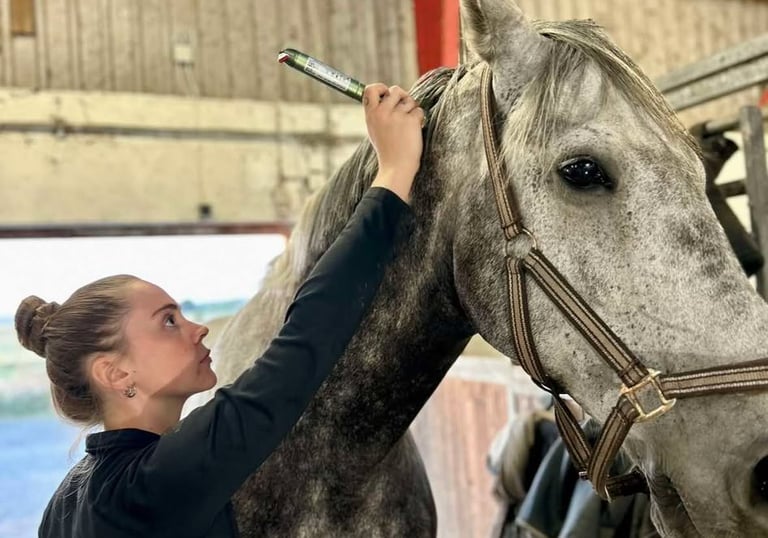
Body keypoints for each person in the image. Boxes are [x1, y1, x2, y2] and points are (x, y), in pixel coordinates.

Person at [17, 83, 425, 538]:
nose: (198, 330)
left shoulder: (66, 503)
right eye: (168, 321)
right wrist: (395, 168)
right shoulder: (151, 484)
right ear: (115, 374)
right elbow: (300, 351)